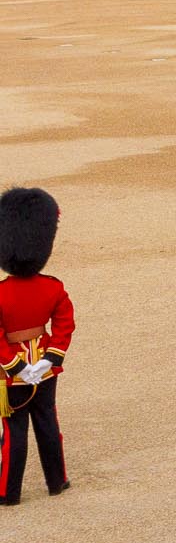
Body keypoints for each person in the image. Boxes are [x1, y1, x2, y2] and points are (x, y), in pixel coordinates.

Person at [0, 188, 73, 505]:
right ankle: (56, 482)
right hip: (45, 368)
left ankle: (8, 492)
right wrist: (47, 360)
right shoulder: (52, 287)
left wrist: (17, 367)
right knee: (47, 423)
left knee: (14, 434)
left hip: (12, 374)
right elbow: (64, 324)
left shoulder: (2, 293)